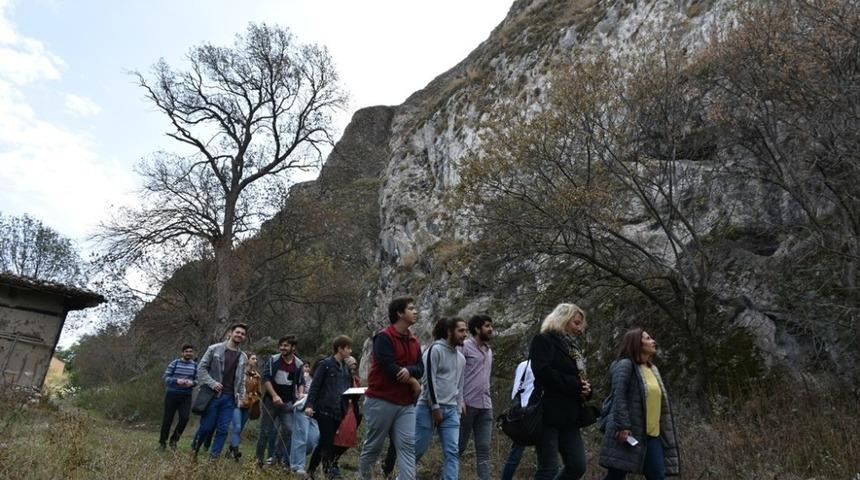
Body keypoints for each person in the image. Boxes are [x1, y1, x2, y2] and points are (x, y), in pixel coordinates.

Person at [599, 328, 680, 479]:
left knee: (657, 475)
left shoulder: (652, 369)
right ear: (637, 343)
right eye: (648, 338)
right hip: (628, 432)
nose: (653, 341)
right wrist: (623, 426)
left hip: (652, 435)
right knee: (616, 475)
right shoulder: (624, 365)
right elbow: (619, 396)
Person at [358, 296, 424, 480]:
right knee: (374, 446)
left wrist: (409, 371)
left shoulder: (414, 341)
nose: (416, 311)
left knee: (407, 446)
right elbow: (388, 366)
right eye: (411, 308)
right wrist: (412, 381)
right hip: (381, 400)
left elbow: (420, 367)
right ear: (399, 313)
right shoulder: (383, 337)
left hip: (405, 403)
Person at [529, 304, 591, 479]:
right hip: (547, 413)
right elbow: (542, 372)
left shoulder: (574, 348)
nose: (579, 329)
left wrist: (587, 389)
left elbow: (580, 377)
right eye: (576, 323)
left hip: (570, 415)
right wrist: (575, 385)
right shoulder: (543, 340)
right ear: (563, 319)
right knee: (548, 468)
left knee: (577, 466)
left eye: (581, 325)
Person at [414, 317, 467, 480]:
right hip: (427, 408)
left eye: (465, 330)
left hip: (451, 411)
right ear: (449, 331)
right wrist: (435, 407)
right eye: (461, 330)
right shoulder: (434, 350)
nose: (465, 334)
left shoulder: (461, 358)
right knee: (418, 449)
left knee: (452, 452)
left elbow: (460, 386)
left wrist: (459, 406)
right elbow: (428, 379)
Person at [192, 322, 249, 460]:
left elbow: (242, 380)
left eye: (242, 334)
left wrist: (241, 397)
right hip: (213, 396)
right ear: (231, 332)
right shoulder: (214, 349)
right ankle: (195, 450)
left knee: (223, 429)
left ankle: (213, 458)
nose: (239, 335)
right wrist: (212, 383)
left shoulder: (243, 357)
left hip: (230, 399)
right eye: (237, 332)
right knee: (206, 427)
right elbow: (201, 368)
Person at [305, 335, 353, 480]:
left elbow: (347, 388)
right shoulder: (325, 364)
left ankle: (310, 472)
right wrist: (309, 405)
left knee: (324, 443)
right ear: (340, 348)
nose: (350, 351)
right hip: (324, 410)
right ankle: (329, 473)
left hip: (339, 411)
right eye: (348, 348)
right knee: (327, 442)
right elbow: (315, 386)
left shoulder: (345, 368)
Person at [257, 335, 305, 468]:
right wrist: (274, 395)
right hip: (271, 401)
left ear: (293, 348)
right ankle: (258, 461)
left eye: (286, 345)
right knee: (265, 431)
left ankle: (276, 459)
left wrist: (301, 393)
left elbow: (301, 381)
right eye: (281, 345)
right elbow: (265, 379)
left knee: (288, 430)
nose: (282, 348)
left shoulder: (298, 364)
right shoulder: (273, 360)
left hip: (288, 402)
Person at [458, 314, 494, 480]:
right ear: (477, 329)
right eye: (487, 326)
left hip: (486, 406)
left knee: (484, 448)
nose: (490, 329)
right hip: (467, 405)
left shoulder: (489, 351)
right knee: (459, 447)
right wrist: (459, 399)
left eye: (491, 326)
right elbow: (456, 374)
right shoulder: (464, 347)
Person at [500, 359, 535, 480]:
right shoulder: (525, 365)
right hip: (525, 414)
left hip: (541, 414)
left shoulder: (547, 364)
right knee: (516, 452)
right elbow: (516, 391)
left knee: (547, 456)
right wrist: (520, 409)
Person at [159, 344, 197, 451]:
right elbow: (165, 377)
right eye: (186, 351)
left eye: (190, 351)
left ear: (193, 353)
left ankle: (174, 440)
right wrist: (177, 381)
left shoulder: (195, 366)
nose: (189, 353)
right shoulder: (174, 363)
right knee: (168, 419)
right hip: (172, 394)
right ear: (182, 353)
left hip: (186, 396)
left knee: (185, 418)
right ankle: (162, 443)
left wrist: (192, 383)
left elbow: (197, 380)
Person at [331, 356, 363, 475]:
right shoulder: (340, 378)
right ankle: (331, 464)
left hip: (352, 411)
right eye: (351, 368)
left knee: (348, 438)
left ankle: (334, 461)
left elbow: (356, 397)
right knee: (338, 438)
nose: (353, 371)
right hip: (342, 411)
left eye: (355, 369)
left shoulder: (356, 380)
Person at [226, 353, 261, 461]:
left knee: (239, 429)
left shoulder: (257, 376)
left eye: (256, 359)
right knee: (236, 427)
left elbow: (258, 393)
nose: (255, 360)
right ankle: (236, 452)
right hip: (237, 402)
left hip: (248, 404)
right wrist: (239, 398)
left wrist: (252, 398)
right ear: (247, 360)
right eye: (253, 358)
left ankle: (230, 451)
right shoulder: (239, 372)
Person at [291, 361, 320, 474]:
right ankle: (297, 466)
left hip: (314, 410)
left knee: (313, 439)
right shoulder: (306, 377)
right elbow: (298, 388)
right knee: (301, 437)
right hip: (302, 407)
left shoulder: (324, 380)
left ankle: (293, 457)